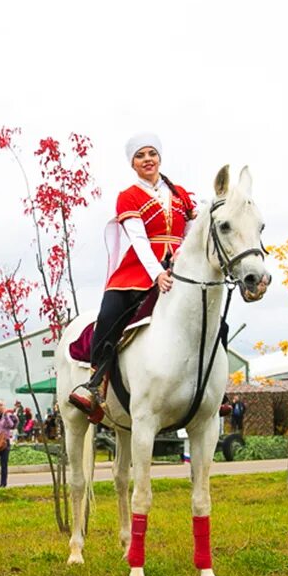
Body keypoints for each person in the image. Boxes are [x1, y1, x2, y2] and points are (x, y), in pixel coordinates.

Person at [68, 133, 196, 423]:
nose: (147, 159)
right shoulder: (129, 196)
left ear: (160, 157)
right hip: (137, 270)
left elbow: (193, 228)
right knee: (109, 315)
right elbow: (138, 239)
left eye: (152, 153)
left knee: (211, 313)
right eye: (140, 155)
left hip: (180, 268)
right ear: (132, 163)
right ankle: (94, 384)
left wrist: (182, 254)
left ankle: (214, 389)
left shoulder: (182, 194)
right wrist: (158, 274)